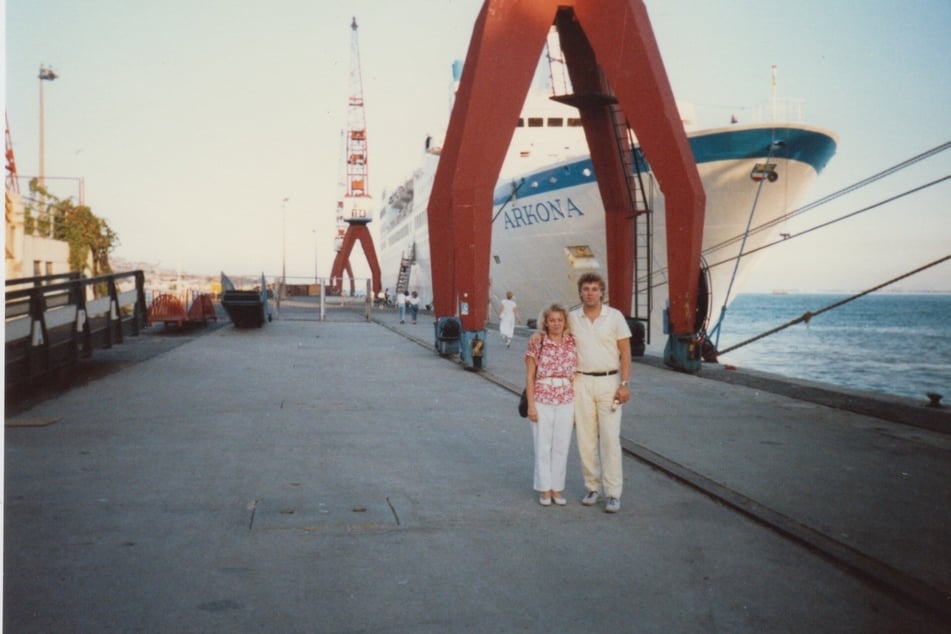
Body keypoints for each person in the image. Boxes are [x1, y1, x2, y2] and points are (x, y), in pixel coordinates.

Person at [530, 271, 631, 513]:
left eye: (595, 289)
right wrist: (538, 333)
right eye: (586, 289)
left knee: (609, 439)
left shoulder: (615, 317)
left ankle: (613, 493)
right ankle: (592, 487)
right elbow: (555, 329)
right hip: (581, 382)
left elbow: (625, 352)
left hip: (609, 381)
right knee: (585, 439)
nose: (590, 293)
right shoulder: (573, 318)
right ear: (580, 293)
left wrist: (624, 384)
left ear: (602, 292)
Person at [524, 304, 577, 507]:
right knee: (542, 445)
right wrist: (531, 406)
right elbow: (529, 377)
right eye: (552, 320)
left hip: (565, 398)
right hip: (542, 397)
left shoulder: (572, 342)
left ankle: (557, 488)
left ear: (565, 322)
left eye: (560, 320)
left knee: (562, 445)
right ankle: (544, 489)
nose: (556, 324)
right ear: (545, 323)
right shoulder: (537, 343)